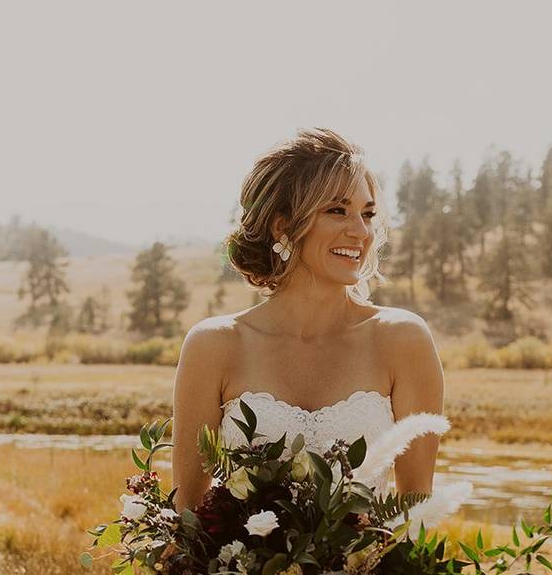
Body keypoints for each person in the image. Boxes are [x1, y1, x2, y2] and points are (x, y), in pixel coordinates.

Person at [171, 127, 445, 513]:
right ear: (282, 224)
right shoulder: (213, 346)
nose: (360, 231)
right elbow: (188, 516)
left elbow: (414, 511)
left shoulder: (402, 340)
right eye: (337, 210)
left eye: (367, 214)